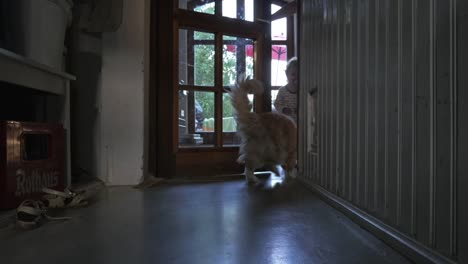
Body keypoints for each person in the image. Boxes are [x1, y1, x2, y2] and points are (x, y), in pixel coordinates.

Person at [274, 57, 298, 122]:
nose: (296, 77)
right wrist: (283, 109)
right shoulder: (282, 91)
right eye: (293, 74)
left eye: (298, 75)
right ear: (287, 74)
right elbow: (277, 104)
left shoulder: (301, 91)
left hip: (299, 121)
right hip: (285, 121)